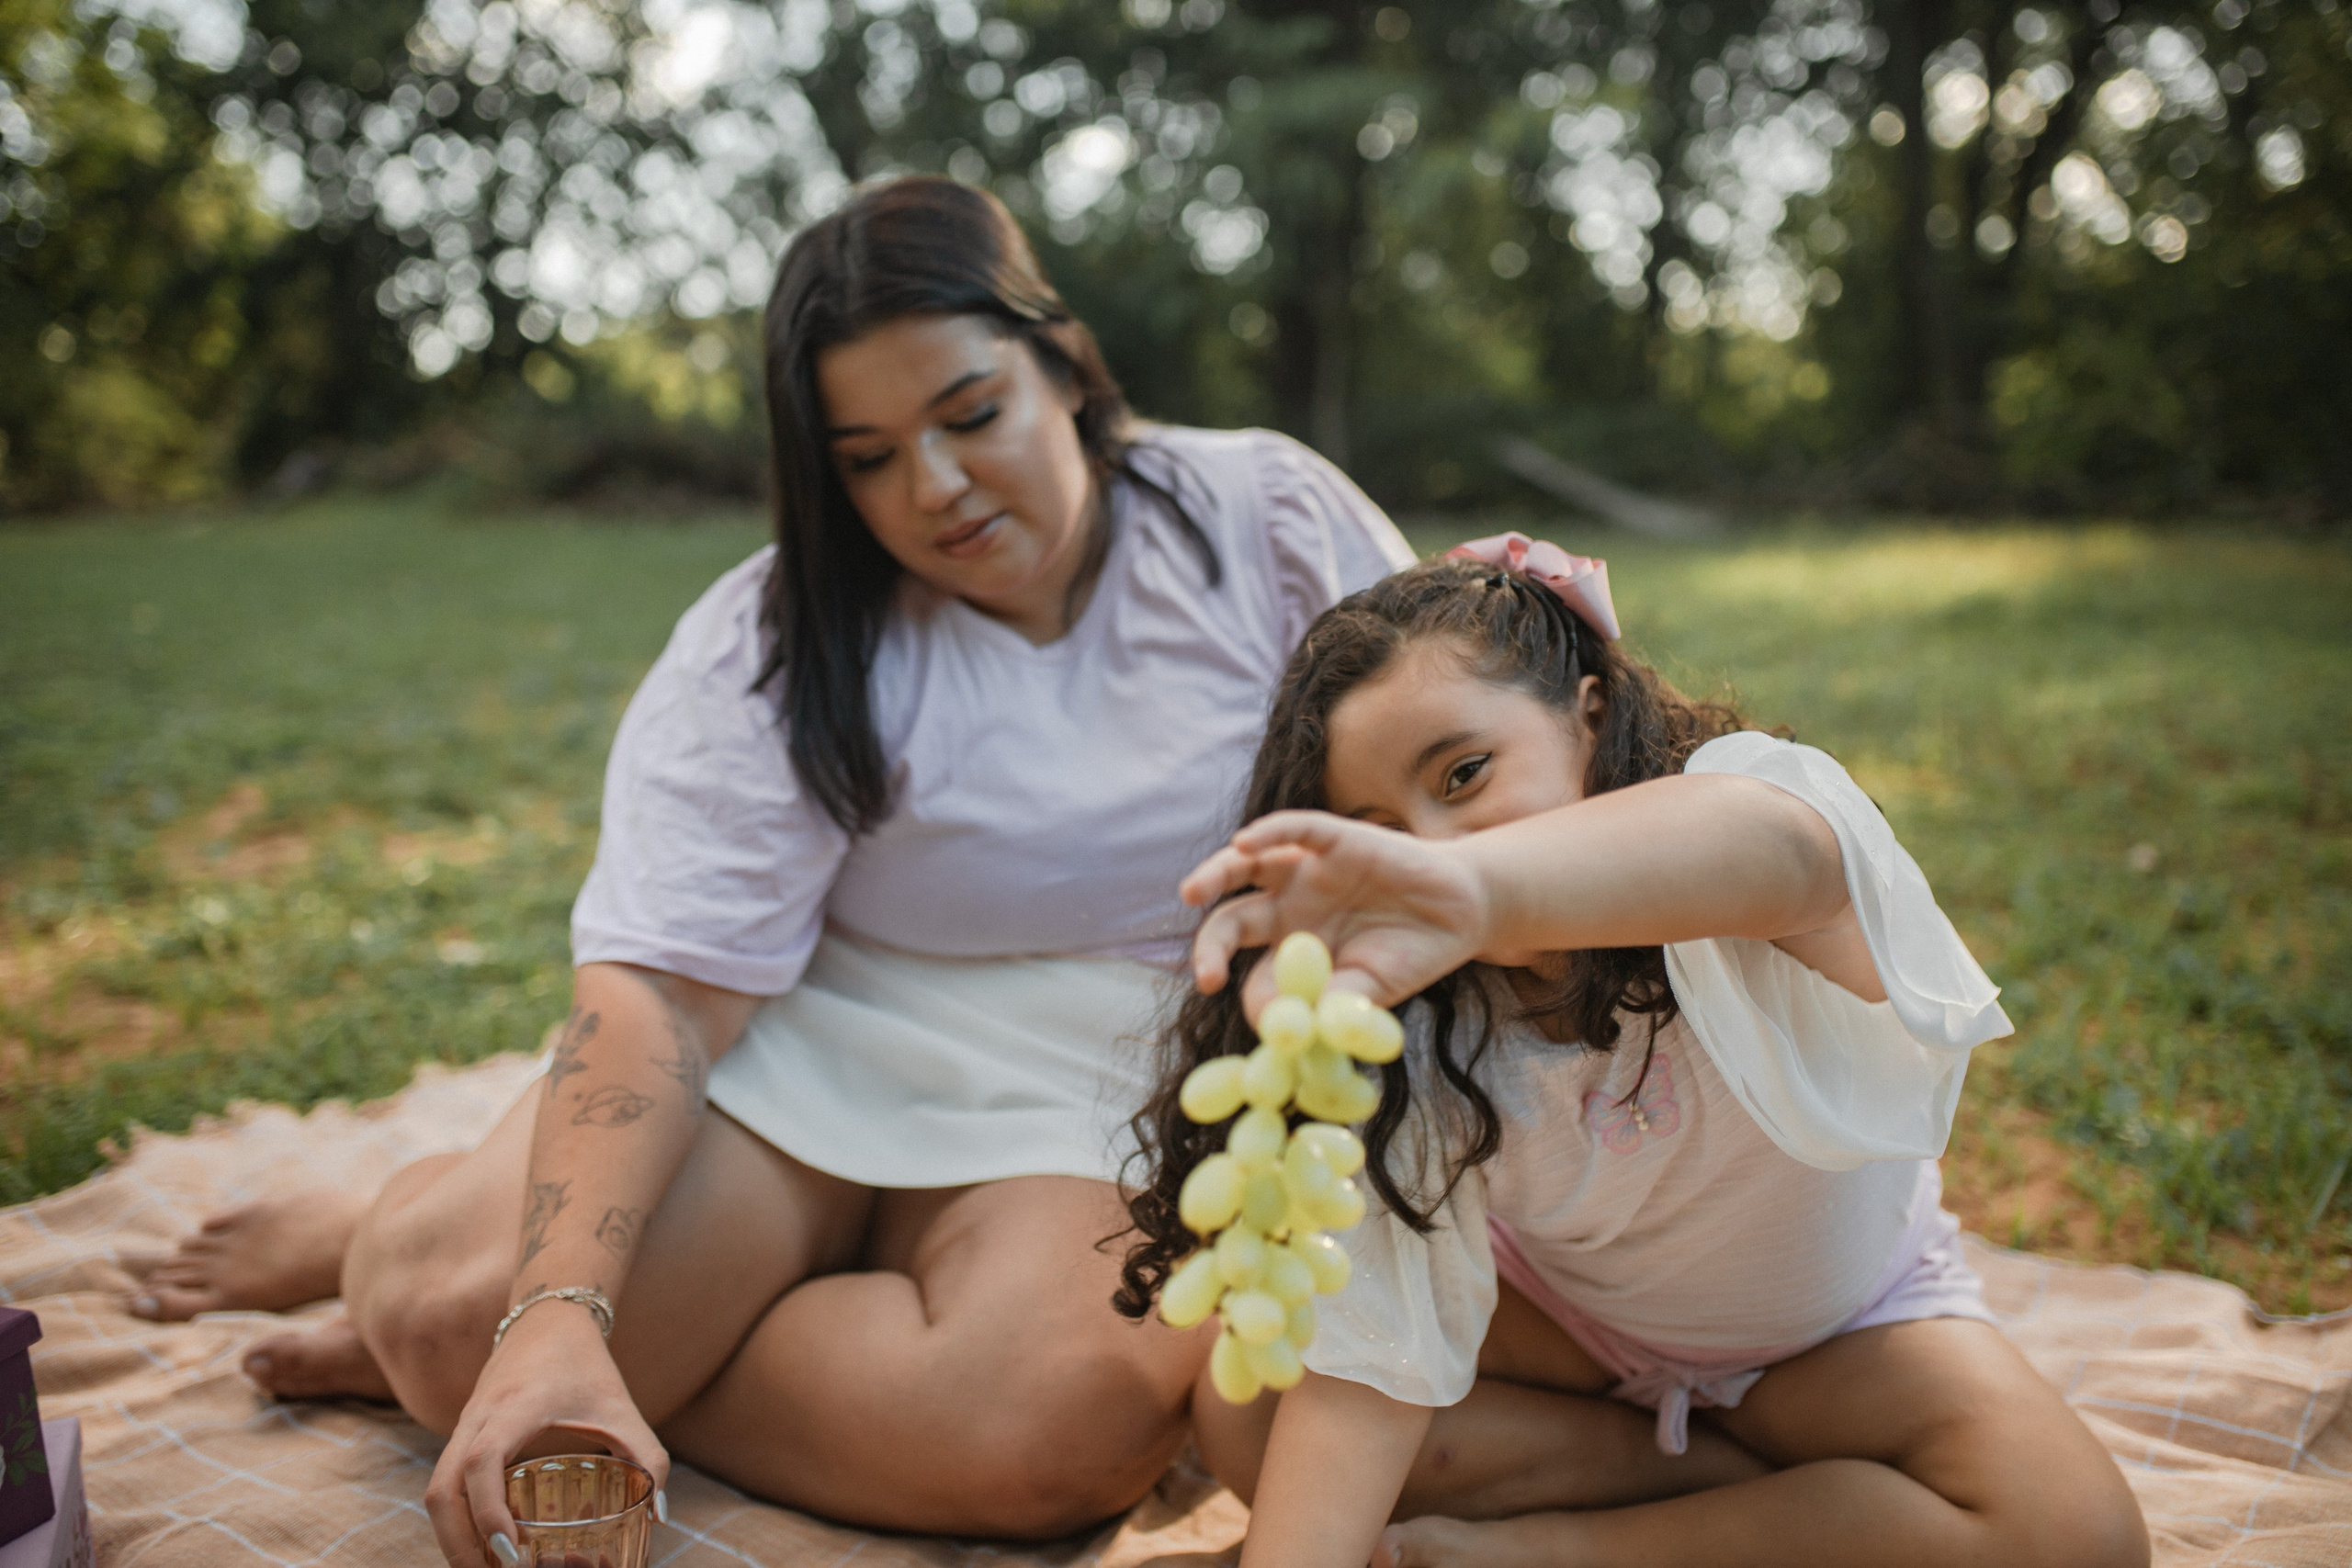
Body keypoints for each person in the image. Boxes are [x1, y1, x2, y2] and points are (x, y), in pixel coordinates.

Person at [128, 176, 1413, 1565]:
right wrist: (557, 1320)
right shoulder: (774, 631)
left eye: (972, 413)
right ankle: (408, 1247)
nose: (934, 487)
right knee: (464, 1319)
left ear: (1067, 362)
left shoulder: (1263, 514)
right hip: (812, 1031)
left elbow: (1454, 754)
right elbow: (664, 998)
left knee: (1053, 1428)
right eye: (866, 455)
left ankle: (645, 1330)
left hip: (1111, 1077)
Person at [1117, 539, 2149, 1568]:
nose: (1433, 852)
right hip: (1569, 1336)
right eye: (1382, 833)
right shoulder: (1410, 1022)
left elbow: (1786, 854)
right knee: (1252, 1422)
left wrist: (1488, 889)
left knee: (2073, 1535)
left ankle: (1563, 1548)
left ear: (1591, 712)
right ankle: (1738, 1482)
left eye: (1464, 775)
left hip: (1840, 1338)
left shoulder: (1730, 831)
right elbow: (1374, 1362)